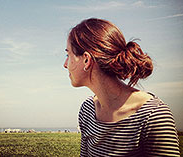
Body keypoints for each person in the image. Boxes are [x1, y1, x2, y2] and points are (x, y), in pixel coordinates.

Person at [63, 18, 179, 156]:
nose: (65, 64)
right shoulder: (87, 111)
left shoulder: (153, 116)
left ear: (87, 60)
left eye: (68, 54)